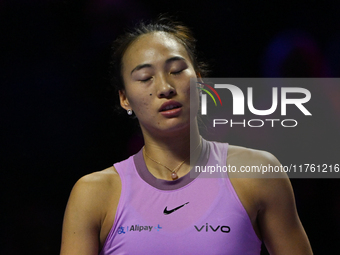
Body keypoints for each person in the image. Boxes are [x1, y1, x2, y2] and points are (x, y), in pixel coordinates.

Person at [60, 16, 313, 255]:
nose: (165, 88)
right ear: (124, 99)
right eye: (145, 77)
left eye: (177, 70)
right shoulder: (93, 195)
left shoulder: (258, 173)